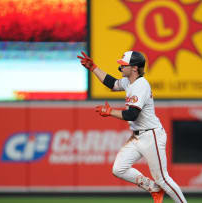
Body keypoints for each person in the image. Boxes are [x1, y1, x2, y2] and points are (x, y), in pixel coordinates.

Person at [77, 51, 187, 203]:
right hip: (137, 136)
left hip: (151, 135)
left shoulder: (141, 85)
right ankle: (153, 188)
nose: (120, 67)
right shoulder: (129, 81)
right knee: (119, 169)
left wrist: (110, 111)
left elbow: (132, 114)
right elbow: (112, 83)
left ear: (134, 68)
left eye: (123, 65)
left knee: (162, 178)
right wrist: (94, 68)